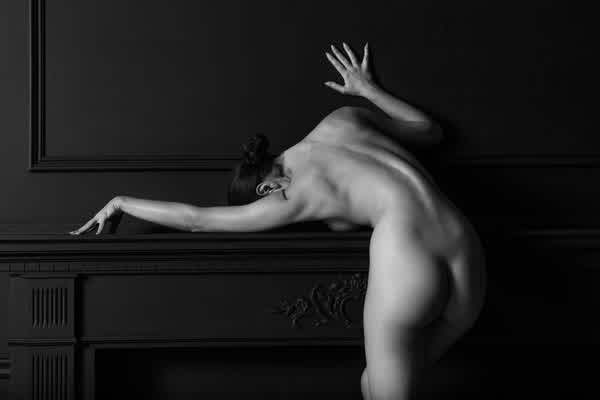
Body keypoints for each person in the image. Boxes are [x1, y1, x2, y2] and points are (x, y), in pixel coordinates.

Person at [70, 42, 486, 400]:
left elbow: (196, 219)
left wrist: (122, 202)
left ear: (267, 187)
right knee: (385, 378)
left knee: (384, 388)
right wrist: (366, 89)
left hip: (407, 251)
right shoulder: (342, 120)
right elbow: (428, 130)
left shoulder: (289, 194)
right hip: (464, 239)